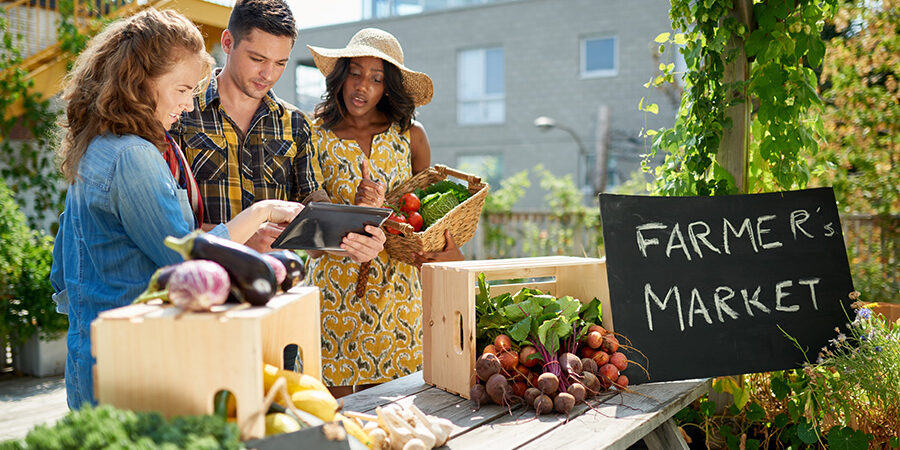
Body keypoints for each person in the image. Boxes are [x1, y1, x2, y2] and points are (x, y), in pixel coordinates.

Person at [49, 9, 303, 409]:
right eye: (182, 90)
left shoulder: (101, 146)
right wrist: (261, 212)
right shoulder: (133, 156)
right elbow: (183, 256)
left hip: (97, 358)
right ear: (141, 82)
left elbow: (62, 272)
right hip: (134, 367)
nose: (188, 104)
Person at [306, 28, 464, 397]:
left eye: (376, 78)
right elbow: (311, 225)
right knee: (335, 417)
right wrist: (357, 211)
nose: (363, 86)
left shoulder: (411, 136)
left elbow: (423, 217)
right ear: (341, 75)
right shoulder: (313, 134)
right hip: (334, 293)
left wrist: (431, 244)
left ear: (387, 87)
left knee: (397, 412)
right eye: (356, 73)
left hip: (398, 295)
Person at [171, 0, 384, 262]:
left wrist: (356, 236)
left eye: (280, 63)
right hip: (202, 284)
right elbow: (163, 226)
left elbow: (314, 227)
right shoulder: (180, 112)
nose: (268, 74)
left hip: (277, 289)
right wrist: (235, 237)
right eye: (257, 59)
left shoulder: (296, 124)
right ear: (227, 42)